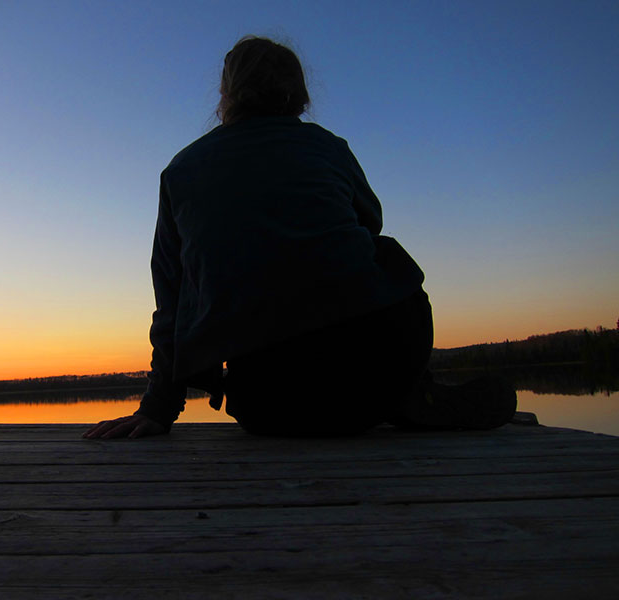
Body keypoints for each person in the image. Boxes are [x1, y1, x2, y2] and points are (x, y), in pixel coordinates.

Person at [84, 36, 516, 440]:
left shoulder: (180, 171)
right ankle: (408, 395)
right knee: (383, 254)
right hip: (387, 358)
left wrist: (158, 409)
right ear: (299, 94)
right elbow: (371, 221)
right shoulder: (327, 146)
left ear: (226, 95)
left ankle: (394, 399)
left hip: (271, 404)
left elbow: (172, 300)